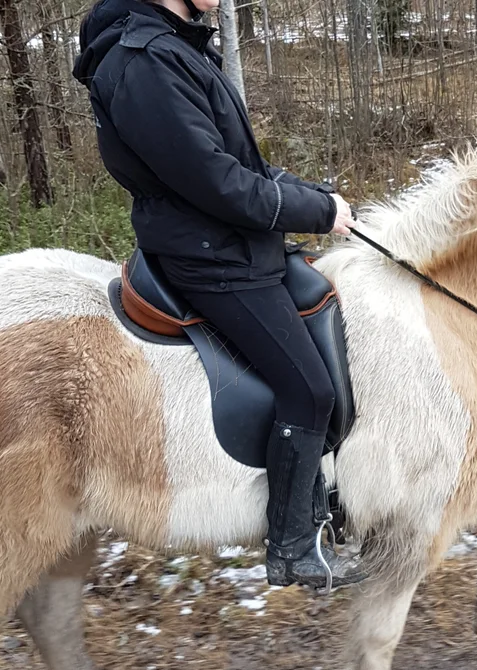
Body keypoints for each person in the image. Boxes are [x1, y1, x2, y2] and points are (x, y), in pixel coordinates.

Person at [73, 0, 364, 590]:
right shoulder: (144, 61)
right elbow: (217, 183)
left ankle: (326, 498)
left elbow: (237, 160)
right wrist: (314, 210)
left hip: (232, 243)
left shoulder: (174, 44)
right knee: (308, 391)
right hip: (211, 258)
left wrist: (314, 193)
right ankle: (291, 549)